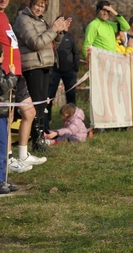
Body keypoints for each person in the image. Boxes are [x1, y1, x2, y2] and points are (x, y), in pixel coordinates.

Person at [14, 0, 71, 151]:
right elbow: (36, 43)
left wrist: (60, 31)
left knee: (42, 105)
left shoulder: (41, 20)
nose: (39, 9)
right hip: (33, 66)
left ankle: (39, 139)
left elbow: (51, 44)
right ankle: (35, 141)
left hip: (45, 65)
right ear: (31, 4)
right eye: (37, 5)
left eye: (42, 6)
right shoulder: (23, 20)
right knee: (36, 105)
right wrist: (53, 29)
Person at [0, 0, 47, 172]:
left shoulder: (4, 16)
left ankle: (23, 154)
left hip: (16, 73)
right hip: (6, 74)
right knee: (8, 115)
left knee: (29, 111)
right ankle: (9, 158)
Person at [46, 16, 80, 131]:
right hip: (54, 71)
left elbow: (76, 52)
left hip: (69, 72)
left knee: (71, 97)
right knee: (49, 96)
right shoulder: (51, 35)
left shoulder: (69, 37)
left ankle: (74, 120)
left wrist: (76, 67)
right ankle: (47, 120)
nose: (64, 25)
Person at [0, 44, 19, 193]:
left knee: (4, 146)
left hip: (3, 113)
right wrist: (12, 75)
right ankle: (0, 180)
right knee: (1, 147)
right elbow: (2, 87)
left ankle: (4, 178)